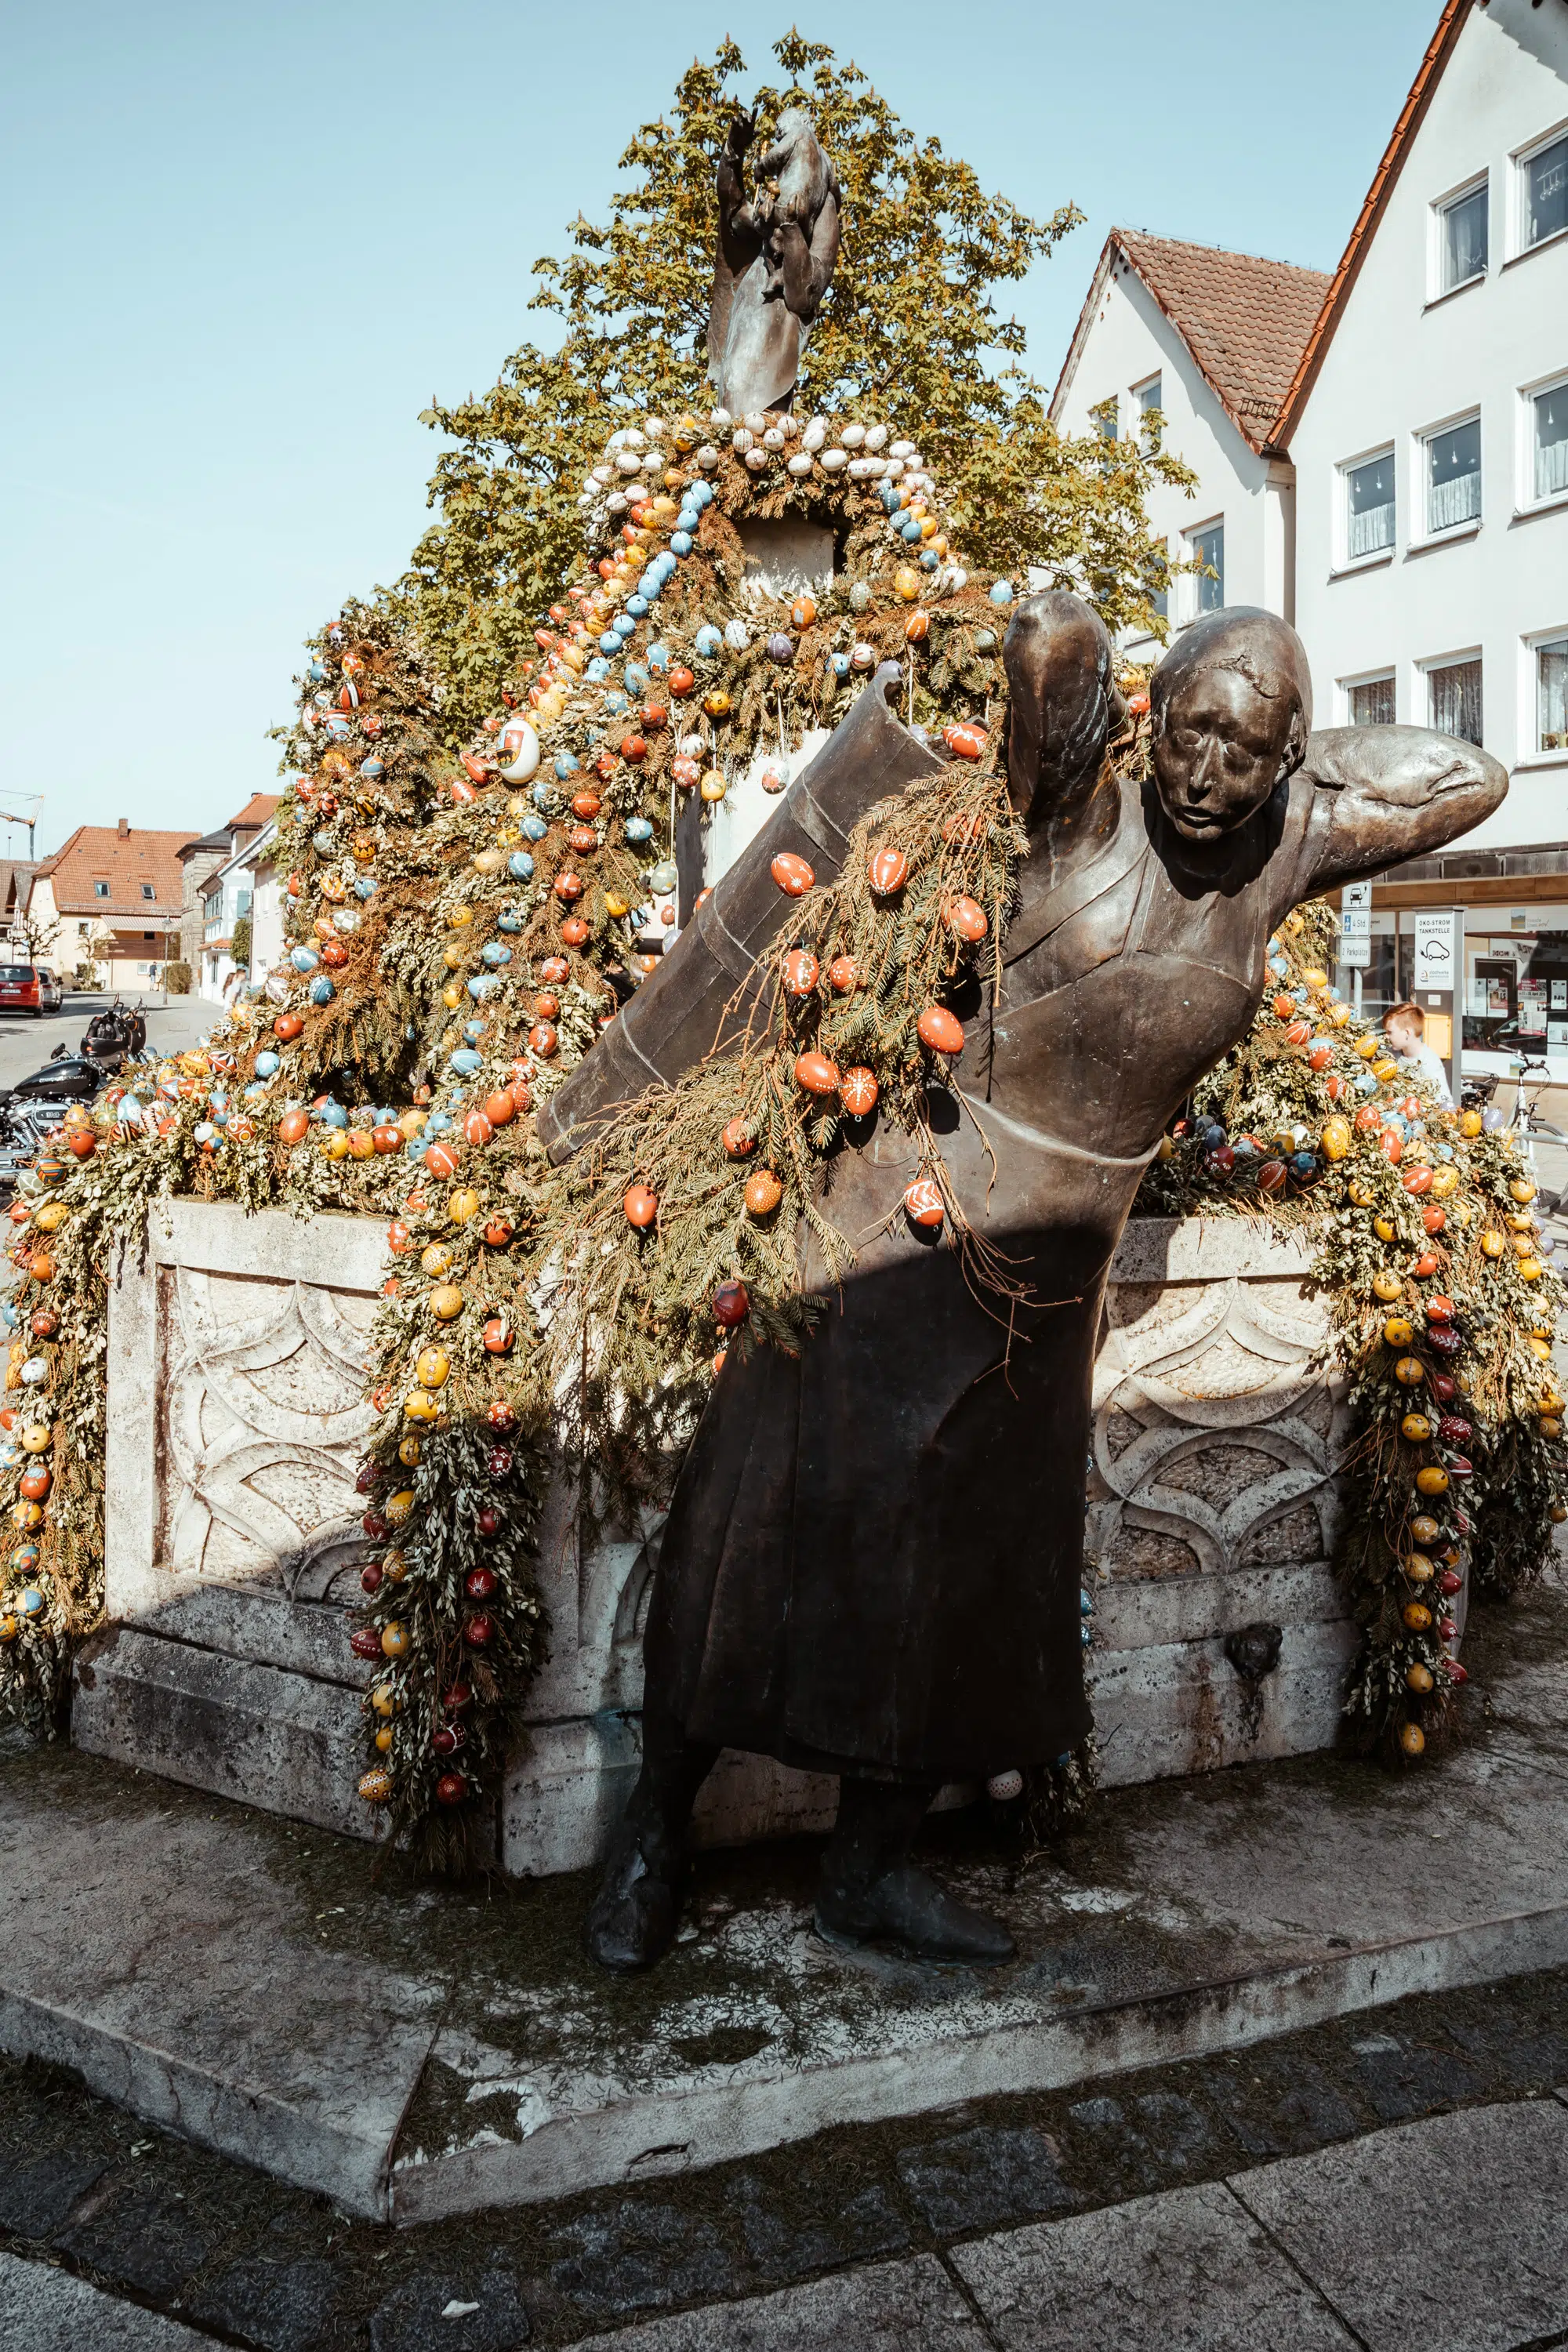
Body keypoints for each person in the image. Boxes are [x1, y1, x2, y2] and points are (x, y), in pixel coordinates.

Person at [584, 601, 1508, 1976]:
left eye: (1247, 753)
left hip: (1053, 1279)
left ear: (1288, 756)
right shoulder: (1079, 818)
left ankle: (870, 1869)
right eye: (1192, 734)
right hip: (898, 1229)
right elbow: (1049, 661)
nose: (1209, 777)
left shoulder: (1273, 857)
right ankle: (653, 1837)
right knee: (760, 1533)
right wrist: (1089, 669)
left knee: (972, 1584)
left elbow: (1466, 778)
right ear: (1150, 722)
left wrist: (1296, 788)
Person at [1382, 1000, 1454, 1109]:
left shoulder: (1429, 1063)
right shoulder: (1390, 1054)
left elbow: (1444, 1103)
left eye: (1390, 1032)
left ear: (1407, 1033)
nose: (1386, 1036)